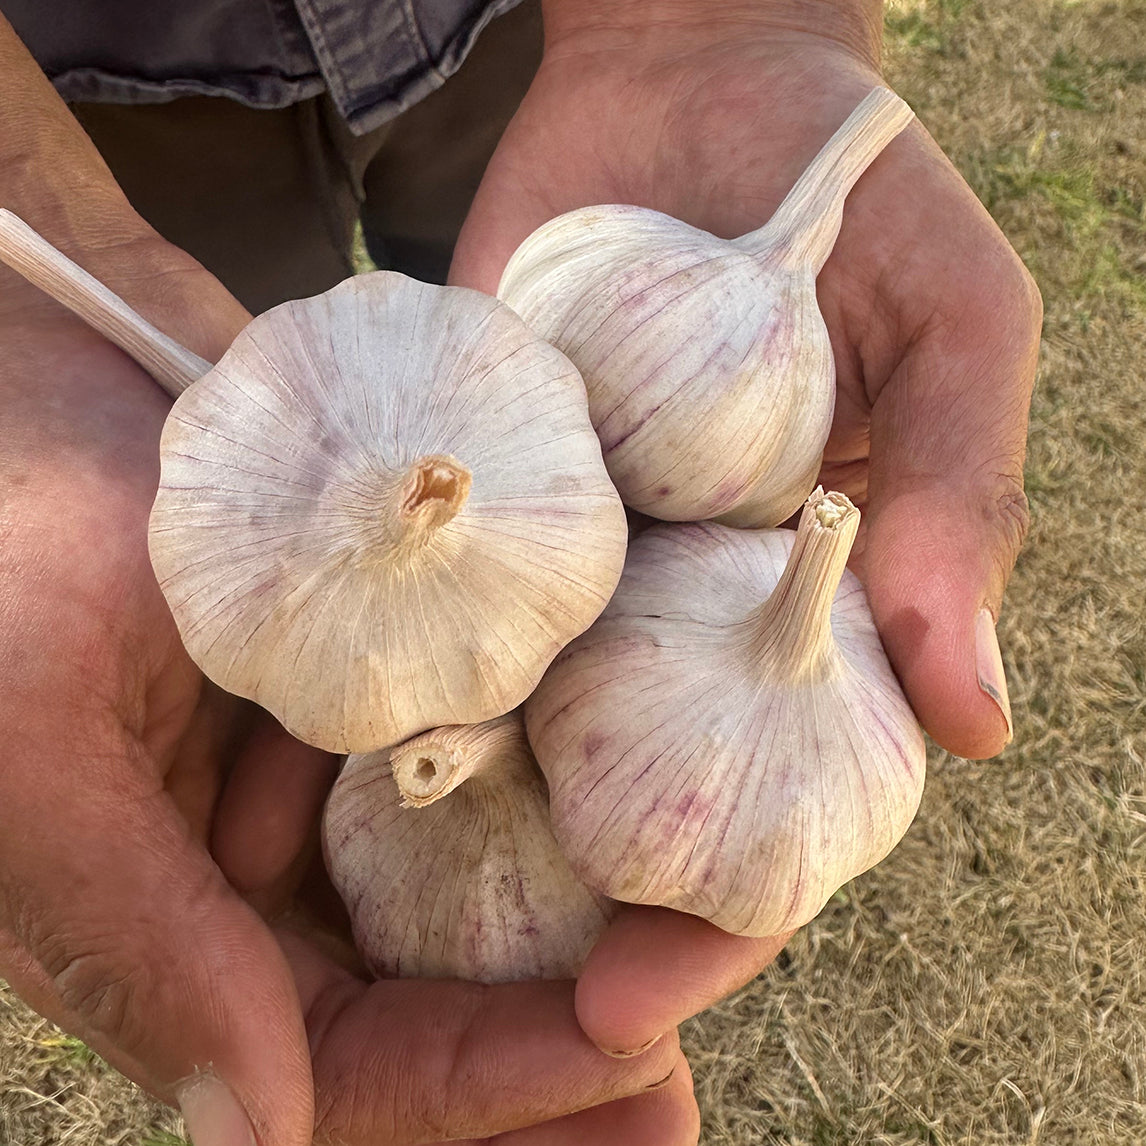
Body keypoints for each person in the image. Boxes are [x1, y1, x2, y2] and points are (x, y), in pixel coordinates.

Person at [0, 0, 1040, 1142]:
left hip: (505, 30)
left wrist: (711, 23)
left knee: (436, 321)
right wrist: (27, 281)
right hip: (101, 78)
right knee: (221, 344)